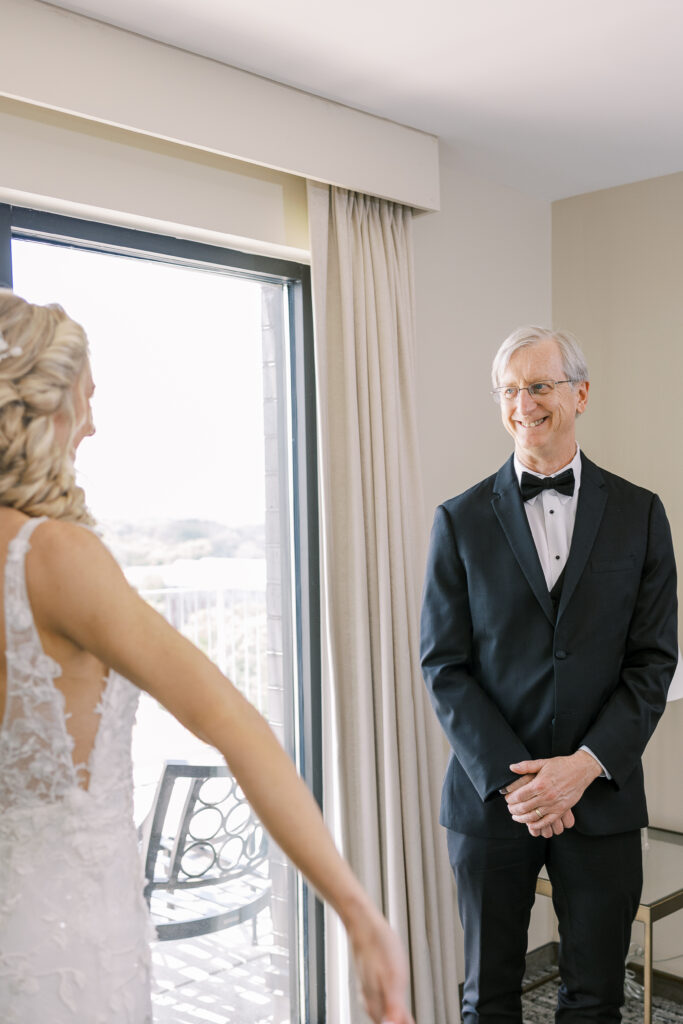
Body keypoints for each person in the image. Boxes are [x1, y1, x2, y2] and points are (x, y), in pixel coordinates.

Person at [0, 289, 414, 1024]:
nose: (93, 425)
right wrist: (357, 912)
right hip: (65, 952)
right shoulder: (53, 557)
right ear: (43, 406)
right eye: (86, 400)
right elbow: (232, 721)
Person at [420, 325, 678, 1024]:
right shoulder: (459, 519)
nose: (522, 403)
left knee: (595, 997)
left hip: (600, 800)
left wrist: (582, 767)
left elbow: (652, 661)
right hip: (489, 803)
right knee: (487, 997)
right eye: (509, 389)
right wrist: (520, 781)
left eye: (539, 386)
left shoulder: (641, 514)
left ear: (580, 394)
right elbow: (443, 665)